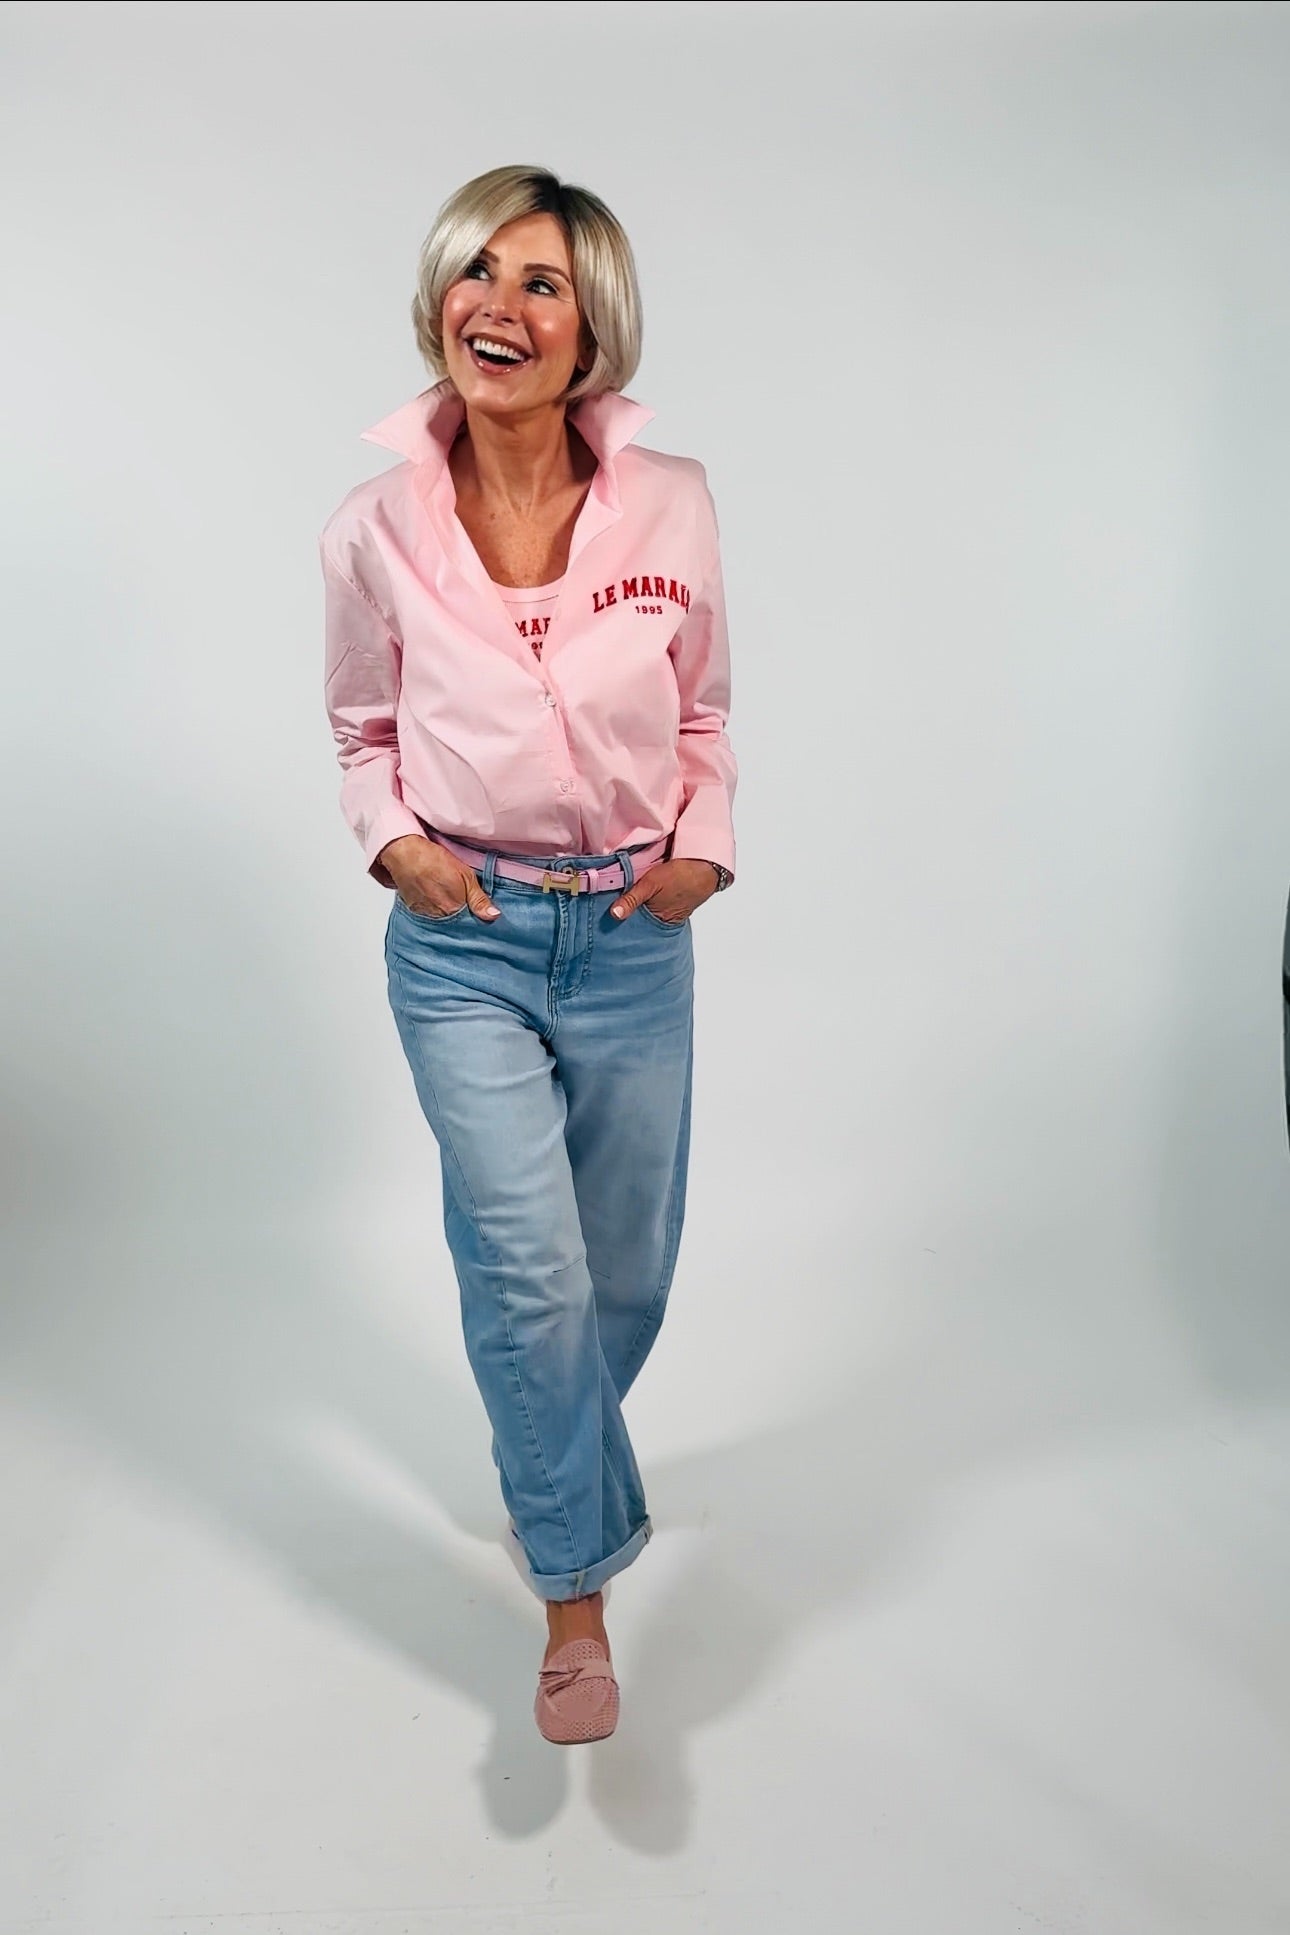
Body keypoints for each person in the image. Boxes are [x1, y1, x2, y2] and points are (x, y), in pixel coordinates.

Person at [320, 164, 737, 1745]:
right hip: (463, 942)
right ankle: (574, 1603)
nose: (497, 305)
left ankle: (544, 1465)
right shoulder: (370, 530)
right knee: (530, 1268)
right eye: (476, 271)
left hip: (631, 932)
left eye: (540, 281)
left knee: (621, 1272)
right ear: (439, 301)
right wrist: (395, 844)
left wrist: (704, 847)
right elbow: (360, 729)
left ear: (590, 329)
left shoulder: (674, 501)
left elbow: (703, 712)